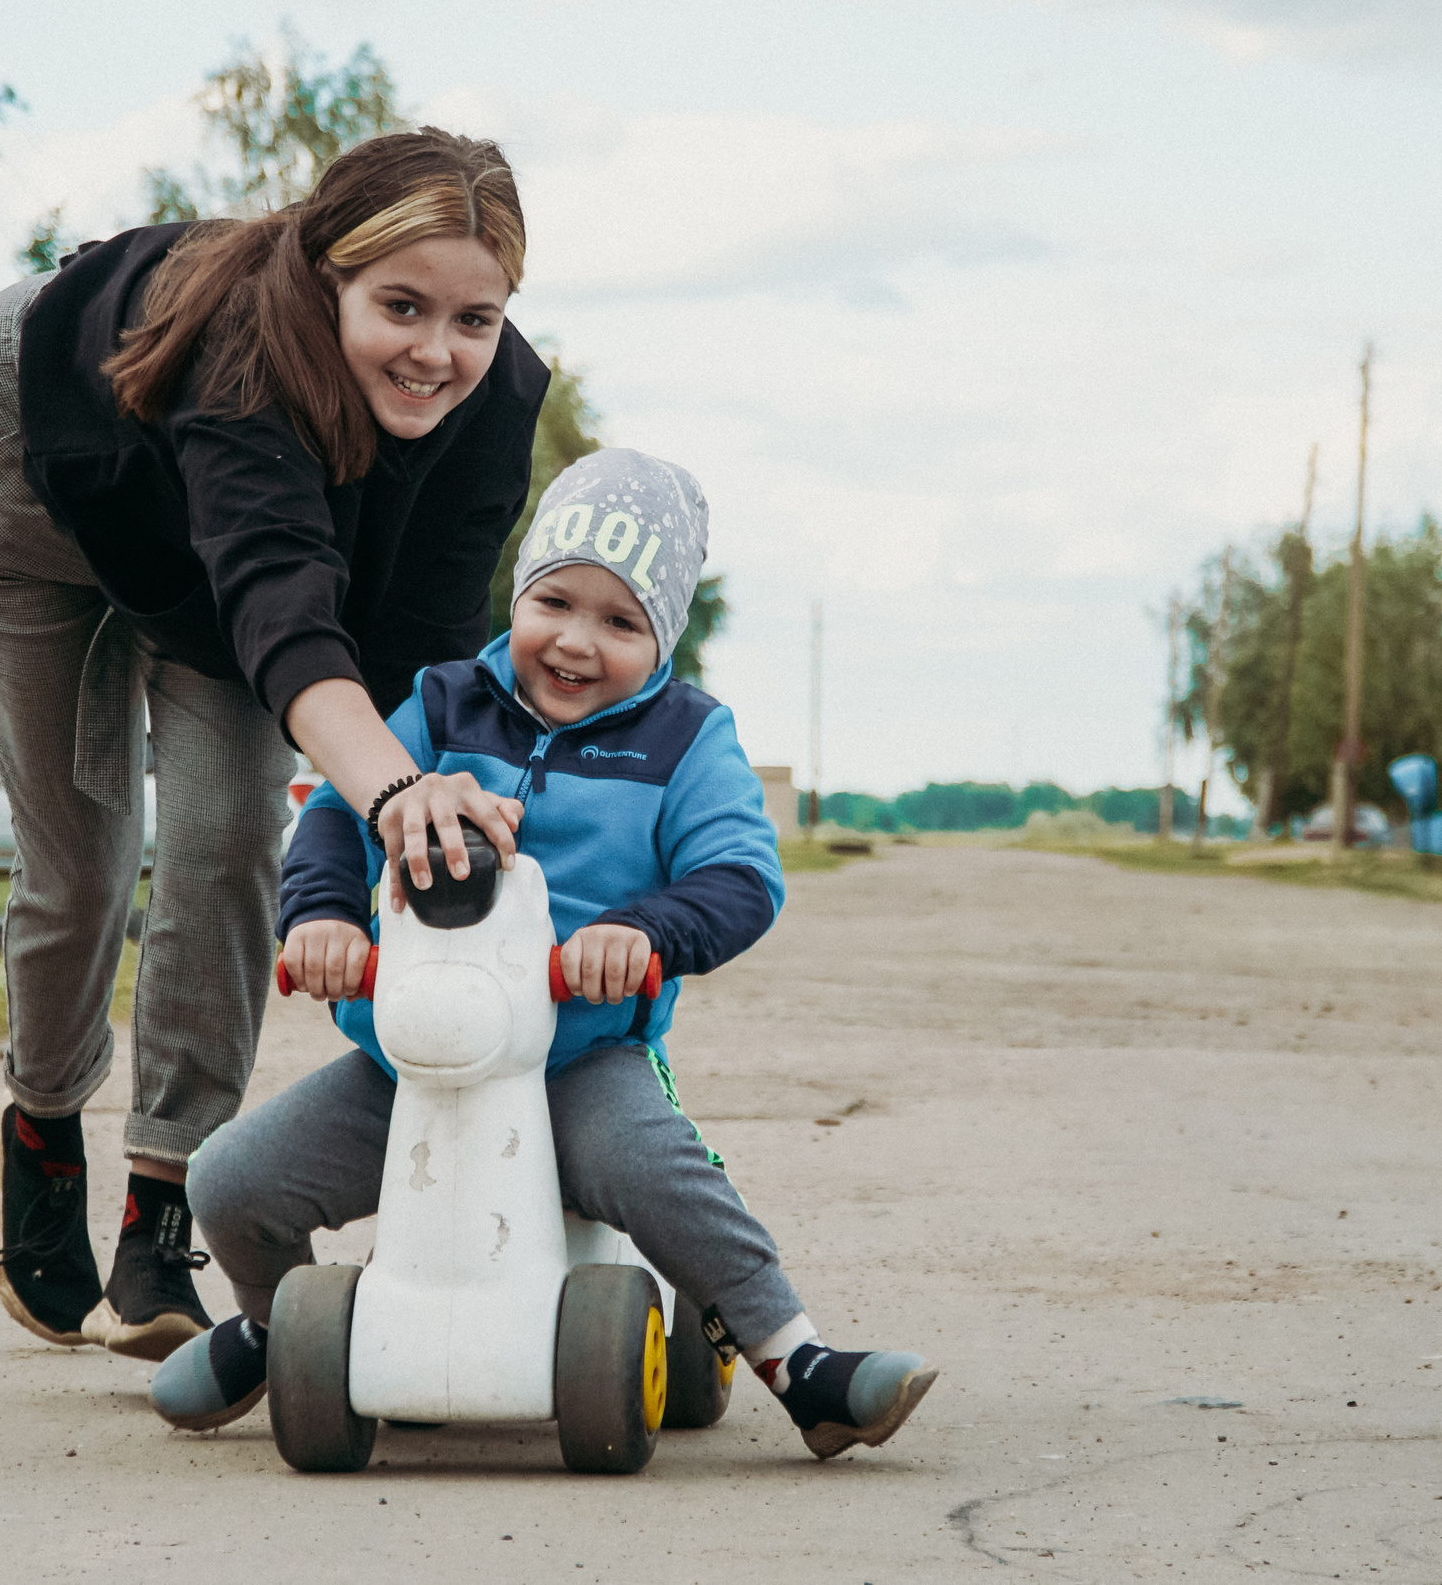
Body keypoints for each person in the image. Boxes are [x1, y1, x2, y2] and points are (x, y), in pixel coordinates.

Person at [149, 449, 939, 1459]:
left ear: (664, 635)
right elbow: (337, 825)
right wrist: (327, 923)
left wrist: (643, 934)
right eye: (555, 602)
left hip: (578, 1052)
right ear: (517, 593)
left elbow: (743, 878)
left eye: (620, 622)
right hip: (418, 1061)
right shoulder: (438, 707)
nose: (574, 642)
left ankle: (798, 1360)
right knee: (230, 1179)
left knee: (651, 1170)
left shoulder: (687, 740)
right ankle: (276, 1329)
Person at [0, 129, 551, 1362]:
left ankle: (164, 1200)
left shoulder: (492, 401)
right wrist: (394, 794)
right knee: (85, 853)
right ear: (327, 273)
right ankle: (43, 1118)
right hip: (40, 468)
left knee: (223, 839)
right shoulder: (246, 350)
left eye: (474, 319)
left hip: (210, 559)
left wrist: (448, 795)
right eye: (401, 306)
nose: (437, 352)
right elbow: (277, 596)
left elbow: (415, 660)